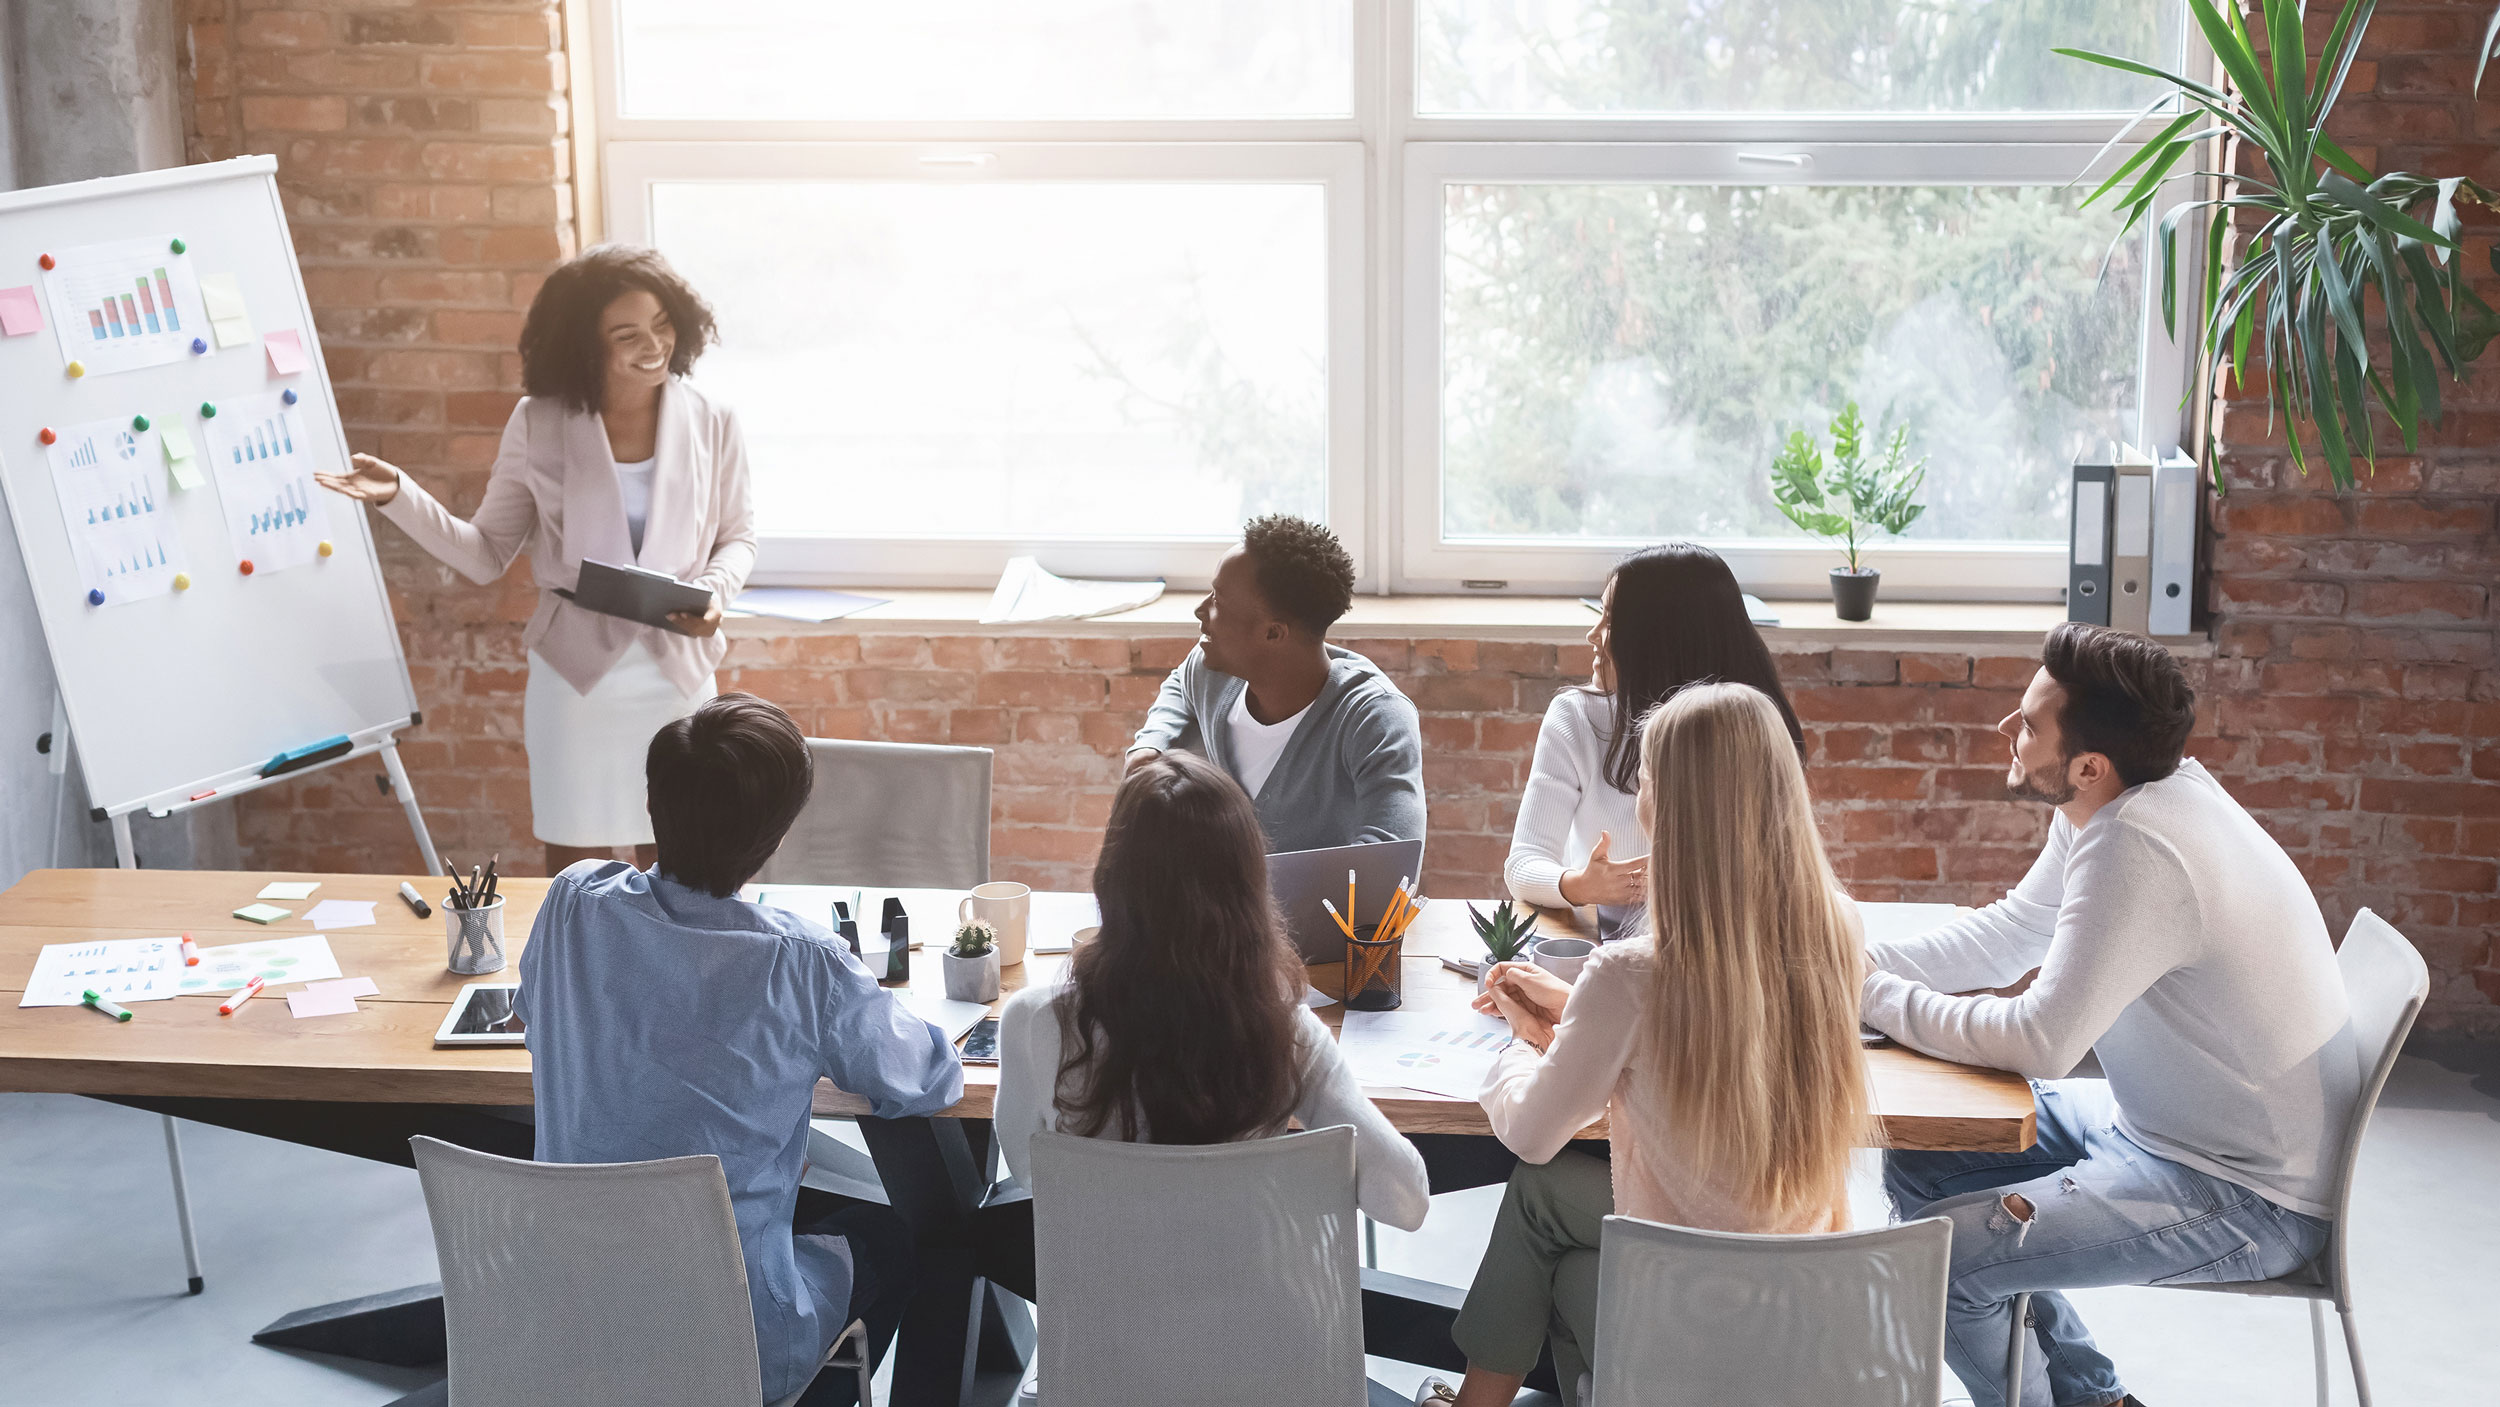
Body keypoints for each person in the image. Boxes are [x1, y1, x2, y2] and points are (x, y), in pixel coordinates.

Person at [1865, 623, 2353, 1407]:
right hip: (2164, 1126)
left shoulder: (2138, 846)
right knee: (1923, 1154)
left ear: (2088, 763)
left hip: (2245, 1193)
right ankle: (2094, 1399)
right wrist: (1860, 965)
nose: (2005, 730)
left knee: (1946, 1261)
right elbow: (2016, 930)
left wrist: (1874, 999)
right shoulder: (2121, 796)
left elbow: (2042, 1040)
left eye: (2027, 723)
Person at [1416, 683, 1870, 1407]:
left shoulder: (1634, 971)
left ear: (1676, 807)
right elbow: (1720, 1018)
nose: (1639, 793)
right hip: (1802, 1306)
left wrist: (1521, 1043)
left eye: (1649, 776)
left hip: (1693, 1302)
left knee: (1541, 1191)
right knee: (1565, 1264)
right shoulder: (1835, 930)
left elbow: (1532, 1133)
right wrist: (1577, 1010)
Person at [515, 693, 962, 1407]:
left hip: (565, 1317)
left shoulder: (571, 901)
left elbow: (533, 1017)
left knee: (802, 1199)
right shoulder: (803, 961)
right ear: (776, 834)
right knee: (893, 1234)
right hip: (731, 1341)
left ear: (652, 805)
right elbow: (930, 1080)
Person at [316, 244, 756, 877]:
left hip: (679, 677)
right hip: (576, 679)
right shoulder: (540, 421)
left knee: (688, 868)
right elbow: (485, 554)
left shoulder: (715, 420)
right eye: (626, 334)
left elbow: (739, 535)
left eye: (662, 324)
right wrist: (397, 497)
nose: (653, 345)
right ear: (584, 343)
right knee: (578, 881)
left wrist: (715, 591)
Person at [992, 750, 1431, 1292]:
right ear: (1248, 889)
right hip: (1270, 1358)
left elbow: (1028, 1175)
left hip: (1106, 1360)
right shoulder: (1286, 1034)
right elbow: (1406, 1202)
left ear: (1113, 878)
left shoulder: (1034, 1023)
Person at [1506, 542, 1802, 940]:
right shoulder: (1576, 716)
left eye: (1610, 620)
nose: (1592, 636)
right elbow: (1523, 863)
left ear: (1660, 639)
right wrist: (1582, 886)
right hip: (1610, 948)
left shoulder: (1748, 729)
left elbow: (1784, 877)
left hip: (1729, 951)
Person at [1126, 514, 1423, 853]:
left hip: (1325, 908)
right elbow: (1181, 683)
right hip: (1224, 907)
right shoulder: (1211, 670)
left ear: (1273, 633)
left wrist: (1246, 888)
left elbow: (1391, 856)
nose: (1199, 610)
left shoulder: (1374, 718)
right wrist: (1151, 743)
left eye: (1218, 601)